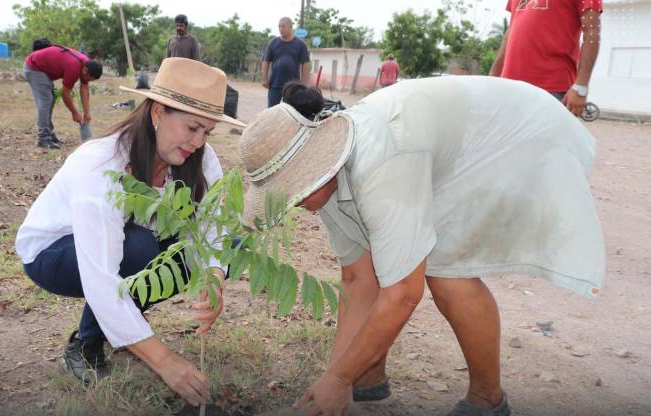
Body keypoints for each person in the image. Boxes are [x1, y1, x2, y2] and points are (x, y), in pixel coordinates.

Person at [241, 76, 605, 416]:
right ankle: (367, 377)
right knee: (385, 260)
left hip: (518, 136)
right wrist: (336, 378)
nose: (293, 203)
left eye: (293, 190)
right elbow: (357, 278)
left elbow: (402, 293)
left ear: (317, 164)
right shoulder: (325, 185)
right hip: (442, 141)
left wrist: (337, 380)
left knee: (446, 270)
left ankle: (487, 399)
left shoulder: (382, 161)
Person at [15, 58, 245, 405]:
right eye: (192, 128)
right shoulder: (101, 164)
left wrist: (214, 278)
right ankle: (86, 342)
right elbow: (100, 275)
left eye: (207, 132)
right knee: (141, 249)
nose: (199, 142)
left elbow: (215, 228)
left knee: (214, 249)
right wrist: (165, 362)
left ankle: (123, 326)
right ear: (156, 113)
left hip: (124, 245)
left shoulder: (201, 157)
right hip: (52, 254)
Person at [489, 0, 602, 117]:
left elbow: (592, 33)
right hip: (509, 88)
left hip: (551, 90)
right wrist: (493, 77)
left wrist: (581, 87)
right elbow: (510, 31)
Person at [24, 45, 103, 149]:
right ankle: (43, 139)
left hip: (42, 68)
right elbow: (65, 94)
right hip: (34, 67)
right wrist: (75, 113)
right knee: (46, 101)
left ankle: (49, 134)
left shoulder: (86, 65)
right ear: (85, 71)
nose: (87, 82)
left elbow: (84, 89)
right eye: (89, 79)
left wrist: (87, 114)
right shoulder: (74, 67)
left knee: (49, 100)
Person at [262, 17, 310, 108]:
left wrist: (304, 84)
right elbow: (265, 61)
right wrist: (264, 78)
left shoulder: (300, 45)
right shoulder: (273, 43)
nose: (281, 29)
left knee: (292, 113)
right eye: (279, 26)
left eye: (283, 26)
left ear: (291, 27)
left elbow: (305, 64)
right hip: (275, 86)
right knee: (273, 112)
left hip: (293, 87)